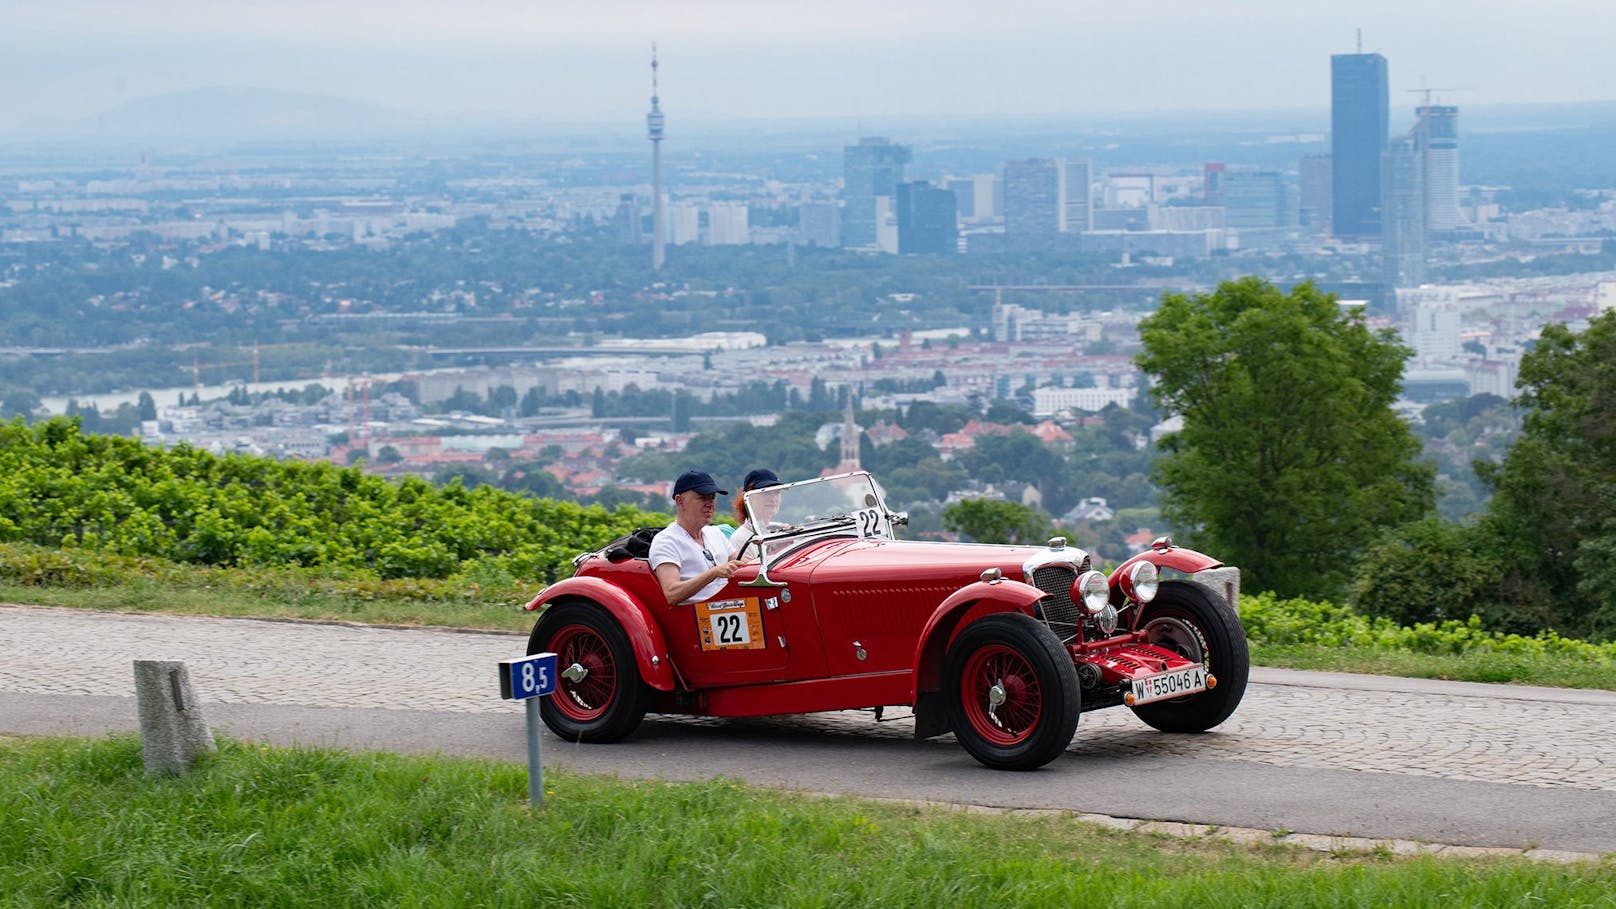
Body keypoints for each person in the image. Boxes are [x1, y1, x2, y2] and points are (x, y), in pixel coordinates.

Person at [648, 469, 746, 606]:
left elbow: (744, 564)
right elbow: (672, 593)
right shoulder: (666, 541)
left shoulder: (715, 533)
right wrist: (714, 573)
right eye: (702, 497)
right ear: (680, 501)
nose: (710, 504)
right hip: (699, 617)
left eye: (712, 497)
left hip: (733, 607)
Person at [728, 468, 784, 560]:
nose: (773, 499)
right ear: (748, 498)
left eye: (777, 492)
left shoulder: (781, 528)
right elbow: (753, 573)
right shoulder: (741, 538)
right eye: (766, 493)